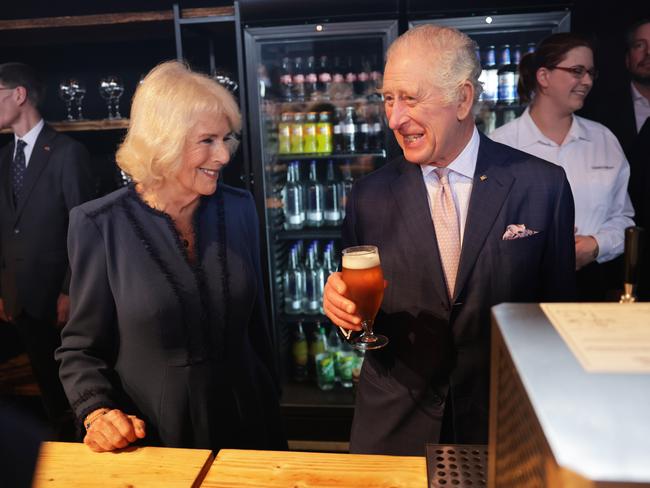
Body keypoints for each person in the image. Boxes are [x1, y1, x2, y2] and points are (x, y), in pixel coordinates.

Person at [323, 24, 576, 456]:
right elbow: (359, 318)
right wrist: (343, 311)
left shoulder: (542, 185)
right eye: (388, 98)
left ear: (463, 99)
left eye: (411, 98)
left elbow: (558, 321)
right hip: (394, 431)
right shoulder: (369, 197)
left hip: (504, 429)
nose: (394, 119)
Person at [56, 61, 286, 452]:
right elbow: (80, 349)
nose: (224, 156)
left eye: (226, 139)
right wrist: (98, 412)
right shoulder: (99, 224)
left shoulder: (240, 207)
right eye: (207, 141)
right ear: (164, 141)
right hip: (159, 434)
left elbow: (258, 326)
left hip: (252, 424)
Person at [491, 33, 635, 301]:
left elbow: (623, 217)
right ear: (544, 77)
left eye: (591, 72)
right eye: (577, 71)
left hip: (593, 285)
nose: (587, 81)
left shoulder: (603, 139)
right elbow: (485, 227)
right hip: (521, 288)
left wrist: (595, 246)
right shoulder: (501, 145)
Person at [0, 62, 93, 439]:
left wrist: (71, 291)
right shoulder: (4, 157)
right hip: (18, 300)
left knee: (69, 398)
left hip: (59, 301)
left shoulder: (67, 153)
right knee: (41, 399)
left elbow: (83, 228)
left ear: (19, 95)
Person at [582, 19, 650, 299]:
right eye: (639, 46)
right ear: (627, 57)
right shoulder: (597, 114)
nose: (648, 54)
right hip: (609, 263)